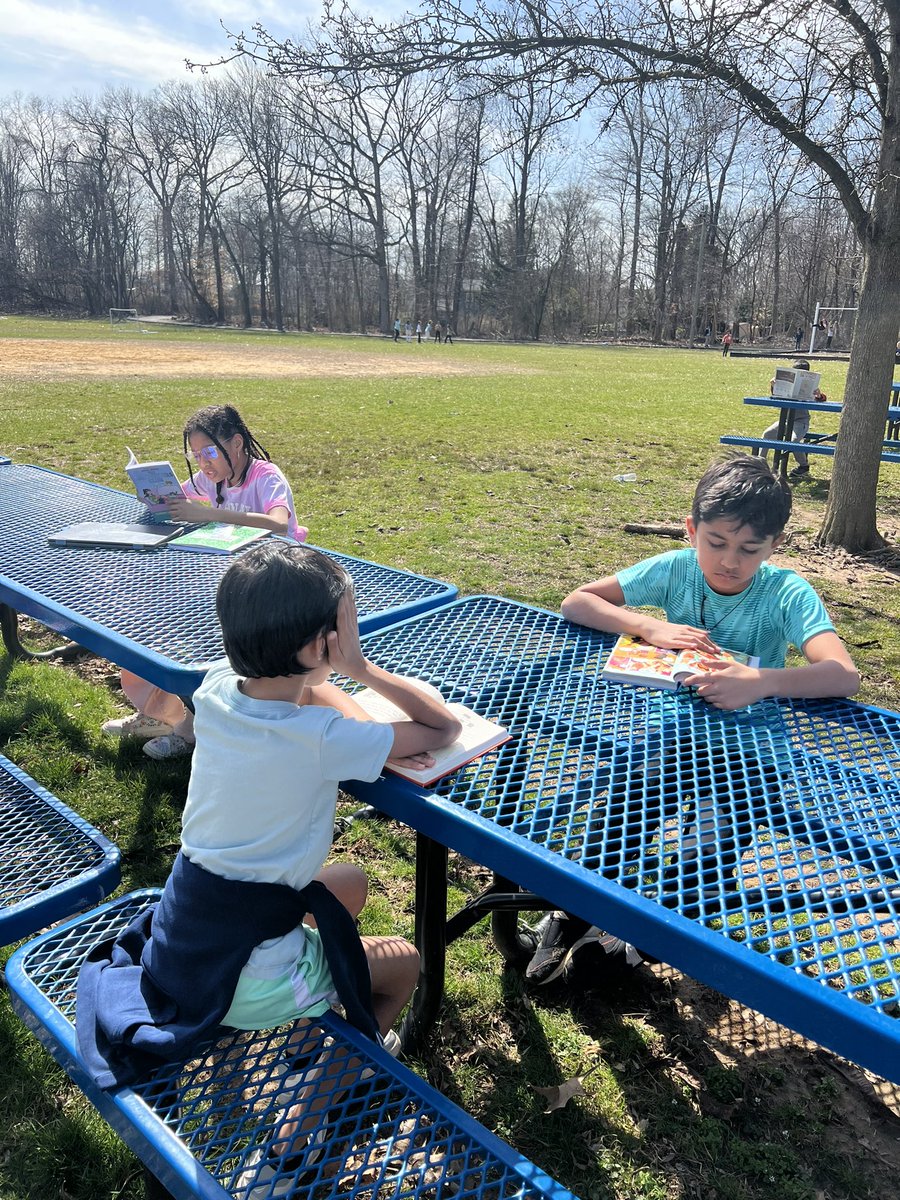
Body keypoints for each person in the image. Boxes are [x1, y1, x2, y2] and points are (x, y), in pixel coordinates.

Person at [78, 542, 462, 1187]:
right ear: (320, 646)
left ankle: (290, 1045)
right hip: (244, 980)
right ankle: (294, 1139)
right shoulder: (323, 739)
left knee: (349, 882)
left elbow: (309, 700)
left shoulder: (214, 689)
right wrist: (360, 668)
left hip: (185, 940)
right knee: (404, 965)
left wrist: (327, 685)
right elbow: (442, 728)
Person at [526, 455, 858, 986]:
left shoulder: (786, 592)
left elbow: (842, 675)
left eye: (750, 549)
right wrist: (647, 626)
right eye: (716, 542)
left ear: (774, 545)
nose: (729, 561)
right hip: (670, 736)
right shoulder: (677, 569)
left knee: (705, 863)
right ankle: (575, 914)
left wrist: (762, 682)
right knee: (616, 821)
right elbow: (577, 601)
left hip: (750, 756)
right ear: (691, 529)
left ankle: (637, 945)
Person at [101, 404, 307, 760]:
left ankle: (191, 728)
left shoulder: (265, 475)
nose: (203, 463)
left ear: (237, 443)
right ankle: (163, 714)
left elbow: (277, 523)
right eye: (195, 456)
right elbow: (176, 499)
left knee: (208, 640)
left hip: (274, 586)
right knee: (159, 621)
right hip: (227, 579)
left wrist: (208, 513)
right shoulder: (210, 478)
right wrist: (154, 496)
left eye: (209, 453)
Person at [760, 358, 827, 479]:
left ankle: (803, 466)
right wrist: (774, 386)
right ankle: (760, 464)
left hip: (801, 421)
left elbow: (821, 399)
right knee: (767, 434)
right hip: (785, 420)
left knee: (793, 441)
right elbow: (776, 396)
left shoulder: (810, 387)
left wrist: (819, 395)